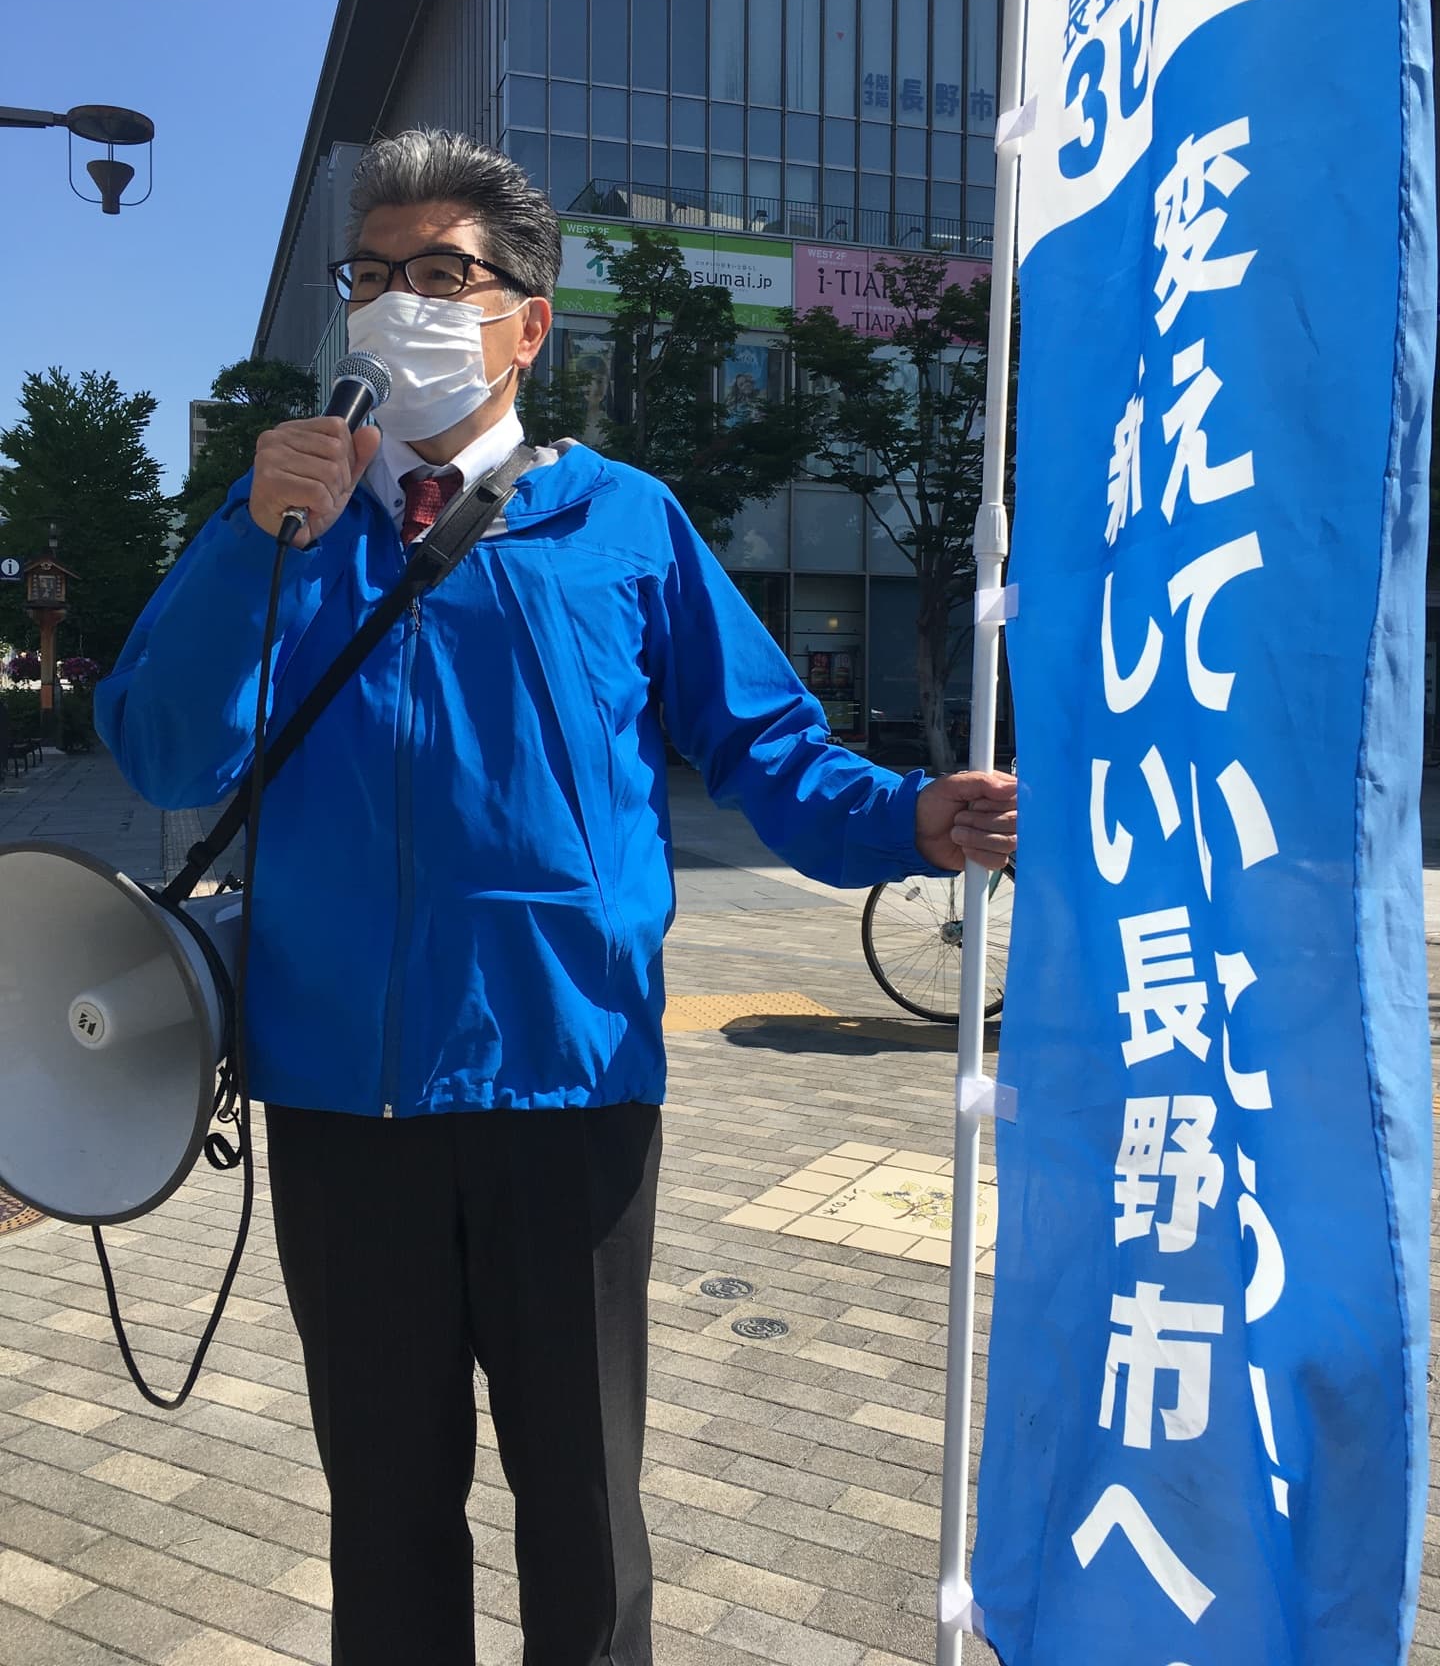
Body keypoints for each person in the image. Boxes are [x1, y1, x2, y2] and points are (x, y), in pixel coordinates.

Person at [97, 130, 1018, 1666]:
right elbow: (160, 744)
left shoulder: (625, 522)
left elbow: (768, 746)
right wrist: (254, 542)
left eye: (439, 273)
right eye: (371, 275)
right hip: (338, 1097)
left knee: (584, 1505)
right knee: (386, 1504)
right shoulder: (288, 521)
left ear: (527, 322)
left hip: (569, 1083)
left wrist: (909, 819)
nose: (398, 303)